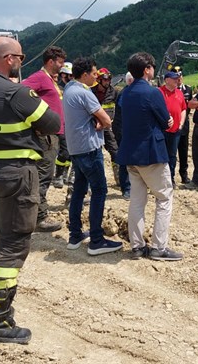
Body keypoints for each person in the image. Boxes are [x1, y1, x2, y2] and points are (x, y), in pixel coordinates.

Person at [0, 37, 60, 344]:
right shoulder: (15, 92)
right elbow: (53, 122)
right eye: (19, 56)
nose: (22, 60)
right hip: (16, 175)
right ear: (8, 59)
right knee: (14, 243)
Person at [116, 52, 182, 261]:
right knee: (164, 197)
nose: (154, 70)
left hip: (130, 154)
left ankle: (137, 246)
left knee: (137, 201)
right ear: (147, 69)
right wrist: (168, 121)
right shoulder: (153, 93)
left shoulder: (125, 93)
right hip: (151, 154)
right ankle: (158, 247)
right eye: (152, 67)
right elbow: (166, 122)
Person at [62, 57, 123, 255]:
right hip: (89, 148)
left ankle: (75, 235)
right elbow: (106, 119)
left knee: (79, 191)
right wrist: (102, 123)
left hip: (76, 148)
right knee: (99, 191)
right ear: (85, 74)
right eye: (94, 74)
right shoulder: (84, 92)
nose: (96, 77)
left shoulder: (69, 90)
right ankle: (97, 240)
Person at [21, 46, 68, 232]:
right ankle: (39, 217)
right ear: (51, 61)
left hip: (52, 134)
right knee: (43, 175)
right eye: (60, 63)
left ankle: (34, 214)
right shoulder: (40, 78)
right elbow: (21, 92)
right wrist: (37, 119)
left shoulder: (49, 80)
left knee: (43, 174)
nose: (62, 66)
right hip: (46, 136)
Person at [159, 71, 187, 186]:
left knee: (172, 156)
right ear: (166, 80)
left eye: (177, 78)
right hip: (162, 130)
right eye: (174, 78)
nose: (177, 80)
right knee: (161, 156)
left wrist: (181, 124)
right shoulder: (159, 92)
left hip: (176, 130)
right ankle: (160, 180)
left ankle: (171, 178)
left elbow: (183, 109)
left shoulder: (179, 93)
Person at [96, 68, 121, 188]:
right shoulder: (91, 92)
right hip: (94, 129)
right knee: (96, 154)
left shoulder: (114, 92)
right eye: (105, 79)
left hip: (108, 128)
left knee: (115, 151)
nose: (108, 82)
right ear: (99, 80)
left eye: (109, 79)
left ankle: (119, 178)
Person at [111, 72, 134, 199]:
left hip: (131, 131)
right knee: (125, 160)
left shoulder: (129, 93)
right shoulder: (125, 94)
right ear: (130, 81)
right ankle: (126, 188)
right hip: (123, 132)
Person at [52, 61, 73, 189]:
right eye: (67, 75)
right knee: (64, 150)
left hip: (69, 122)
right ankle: (58, 175)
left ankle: (64, 173)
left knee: (69, 151)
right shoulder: (57, 88)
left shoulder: (68, 88)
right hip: (59, 123)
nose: (69, 78)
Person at [174, 67, 193, 184]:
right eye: (176, 77)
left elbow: (189, 106)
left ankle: (184, 174)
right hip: (172, 125)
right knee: (171, 151)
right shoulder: (170, 90)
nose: (178, 79)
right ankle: (170, 176)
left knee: (183, 151)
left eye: (180, 76)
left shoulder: (188, 89)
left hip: (184, 125)